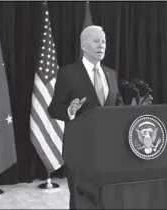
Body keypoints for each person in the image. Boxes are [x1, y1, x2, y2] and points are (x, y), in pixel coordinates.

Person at [47, 26, 152, 209]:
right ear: (83, 46)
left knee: (108, 198)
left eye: (104, 41)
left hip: (109, 150)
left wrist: (133, 110)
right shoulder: (68, 73)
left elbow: (116, 108)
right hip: (80, 151)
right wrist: (70, 110)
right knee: (82, 201)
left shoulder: (111, 74)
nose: (101, 45)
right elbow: (53, 109)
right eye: (96, 41)